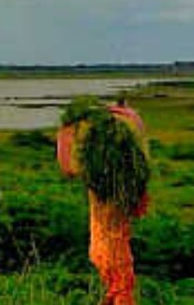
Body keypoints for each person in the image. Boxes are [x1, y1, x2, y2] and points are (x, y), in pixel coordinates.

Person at [58, 98, 149, 305]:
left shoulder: (81, 131)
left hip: (103, 198)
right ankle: (114, 294)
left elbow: (68, 168)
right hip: (119, 196)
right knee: (115, 243)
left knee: (107, 246)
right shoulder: (129, 124)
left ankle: (116, 294)